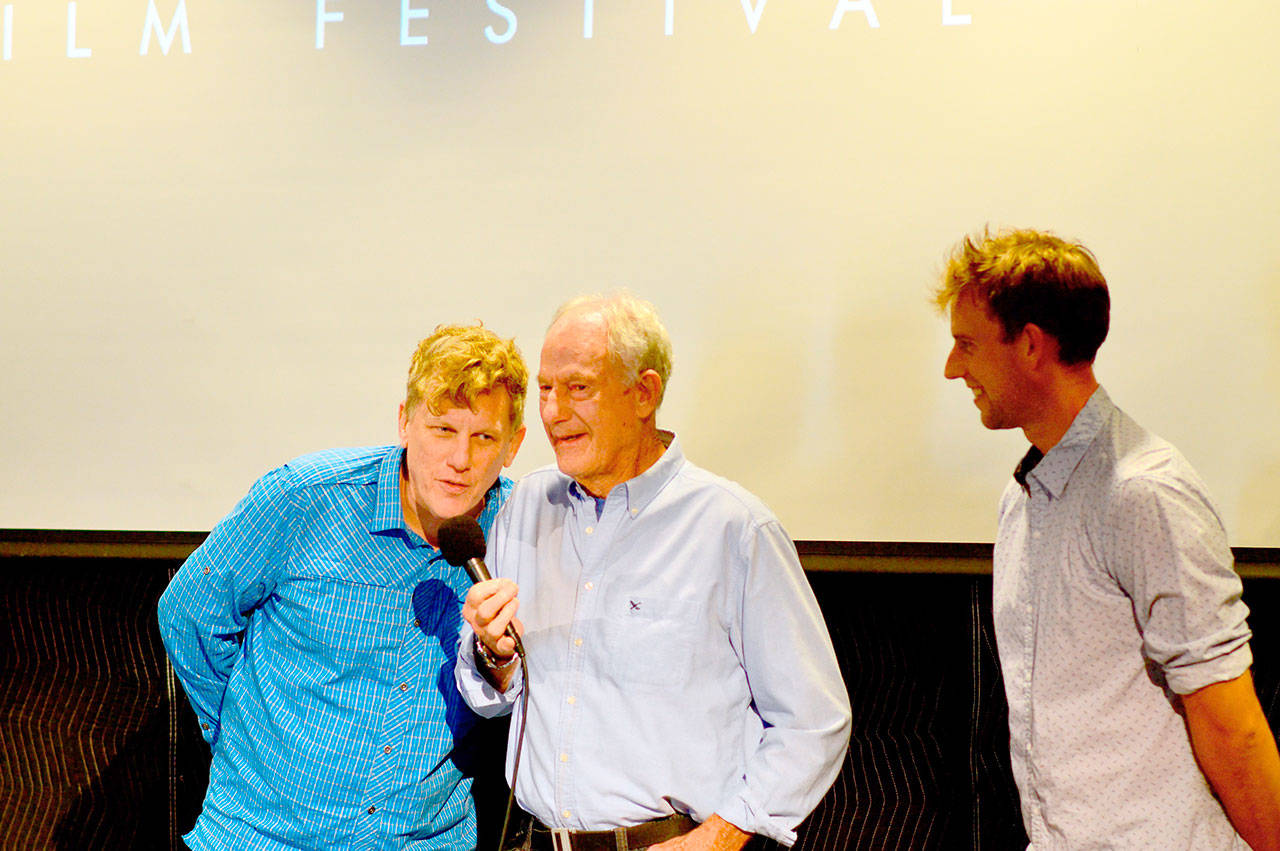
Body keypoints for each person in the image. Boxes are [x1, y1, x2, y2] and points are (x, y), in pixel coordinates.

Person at [456, 292, 851, 850]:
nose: (552, 411)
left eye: (578, 388)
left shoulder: (732, 528)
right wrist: (491, 656)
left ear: (644, 393)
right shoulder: (526, 505)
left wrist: (721, 835)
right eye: (545, 388)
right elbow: (490, 694)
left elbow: (814, 720)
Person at [937, 228, 1280, 848]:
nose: (952, 368)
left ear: (1032, 346)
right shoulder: (1022, 500)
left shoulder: (1145, 492)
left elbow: (1233, 726)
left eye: (967, 344)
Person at [158, 324, 528, 850]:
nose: (461, 460)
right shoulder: (304, 497)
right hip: (261, 836)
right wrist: (244, 744)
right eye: (442, 430)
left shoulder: (521, 530)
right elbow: (189, 614)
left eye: (484, 437)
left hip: (425, 840)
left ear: (513, 445)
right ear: (405, 422)